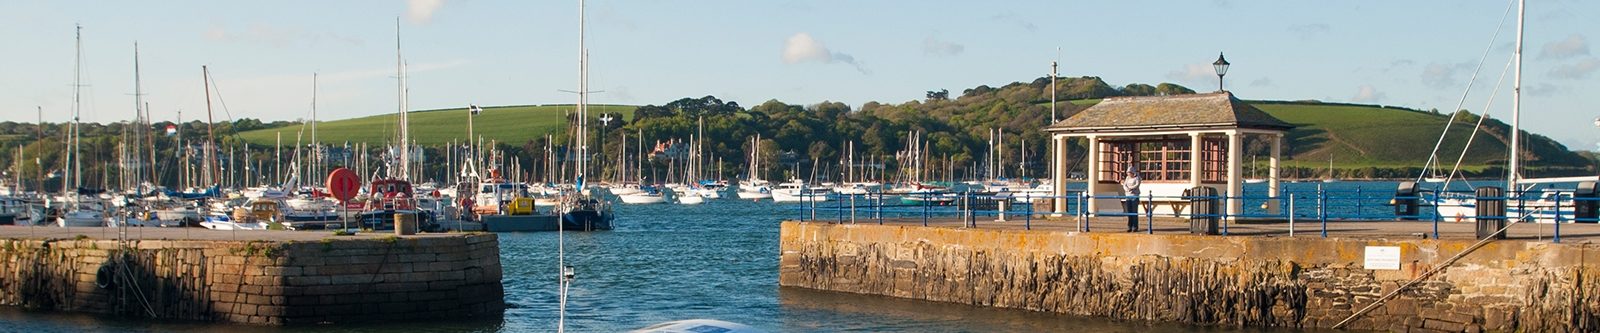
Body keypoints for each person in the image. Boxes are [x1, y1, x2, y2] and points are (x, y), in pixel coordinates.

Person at [1121, 164, 1141, 232]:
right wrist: (1127, 189)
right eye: (1128, 173)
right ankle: (1129, 226)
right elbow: (1124, 185)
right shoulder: (1127, 178)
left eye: (1130, 173)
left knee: (1134, 212)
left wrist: (1131, 188)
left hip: (1134, 196)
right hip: (1128, 196)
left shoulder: (1137, 178)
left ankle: (1135, 226)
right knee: (1129, 212)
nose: (1129, 174)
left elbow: (1137, 184)